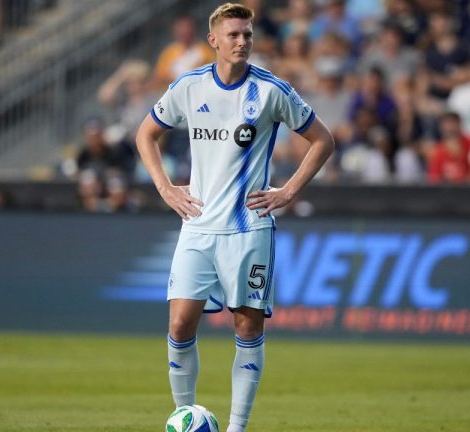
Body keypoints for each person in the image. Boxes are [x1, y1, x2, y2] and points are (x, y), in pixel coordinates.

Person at [135, 4, 334, 432]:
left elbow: (323, 140)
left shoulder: (271, 91)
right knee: (179, 322)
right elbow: (145, 134)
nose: (242, 41)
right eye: (233, 35)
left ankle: (237, 428)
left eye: (247, 34)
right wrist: (167, 189)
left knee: (246, 328)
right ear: (214, 41)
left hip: (249, 230)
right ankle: (183, 417)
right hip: (199, 225)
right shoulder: (189, 87)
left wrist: (289, 190)